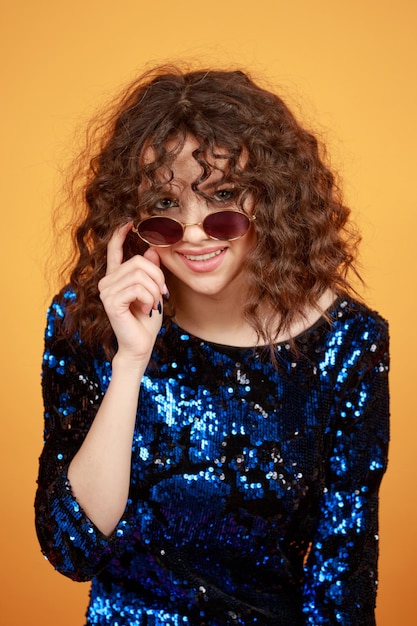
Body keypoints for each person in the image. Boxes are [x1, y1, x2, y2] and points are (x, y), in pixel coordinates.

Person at [35, 65, 389, 626]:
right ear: (133, 217)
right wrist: (129, 362)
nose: (195, 232)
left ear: (273, 200)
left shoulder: (347, 344)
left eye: (222, 197)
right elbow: (71, 550)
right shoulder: (90, 322)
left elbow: (342, 575)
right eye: (167, 206)